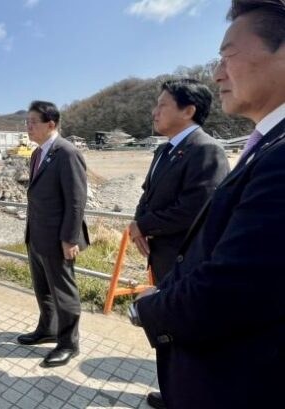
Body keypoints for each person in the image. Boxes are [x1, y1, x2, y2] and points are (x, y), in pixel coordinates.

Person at [131, 1, 285, 408]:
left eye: (227, 55)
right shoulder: (265, 143)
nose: (217, 73)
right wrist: (138, 223)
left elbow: (235, 286)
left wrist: (149, 309)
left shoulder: (272, 153)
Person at [130, 79, 229, 285]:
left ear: (188, 111)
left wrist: (145, 225)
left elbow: (195, 209)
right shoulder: (164, 150)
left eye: (162, 105)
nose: (155, 112)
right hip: (162, 259)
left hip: (189, 263)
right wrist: (137, 223)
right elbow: (147, 193)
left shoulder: (206, 149)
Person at [17, 100, 89, 367]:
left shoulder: (67, 153)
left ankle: (69, 343)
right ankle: (48, 328)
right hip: (37, 234)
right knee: (43, 287)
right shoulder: (37, 154)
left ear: (51, 124)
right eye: (26, 122)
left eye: (33, 122)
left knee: (63, 291)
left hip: (59, 239)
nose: (28, 127)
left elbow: (76, 201)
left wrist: (69, 238)